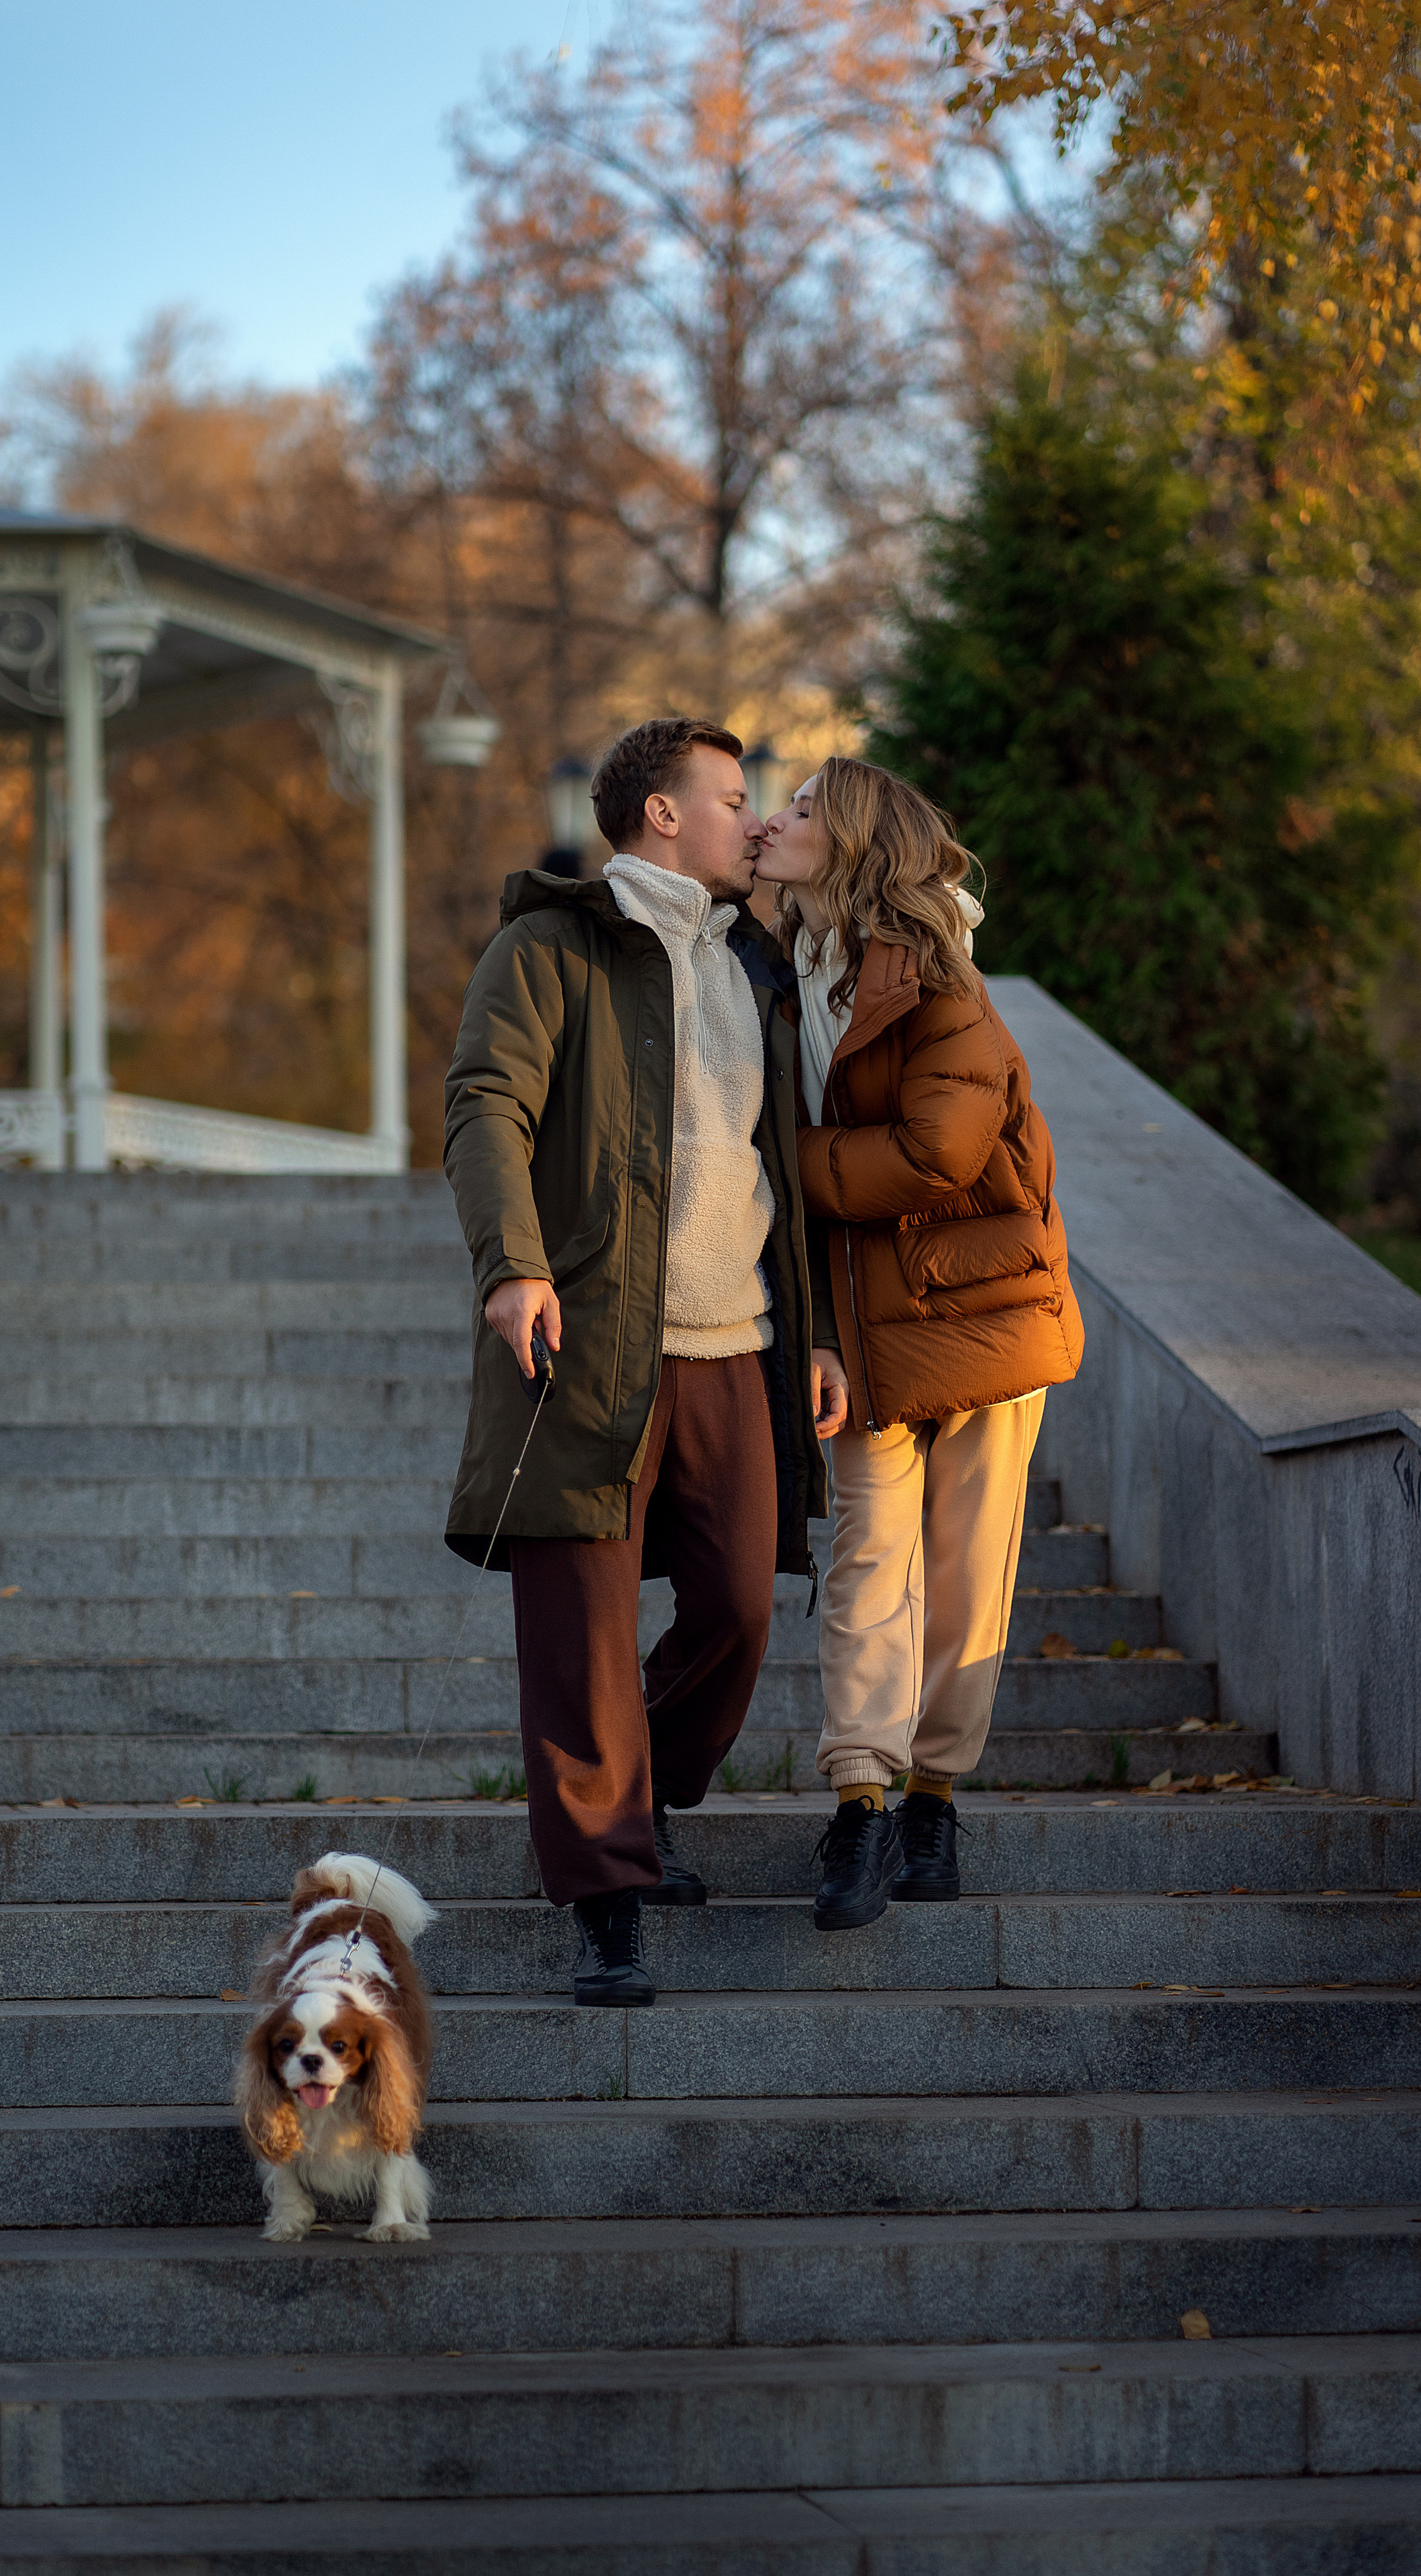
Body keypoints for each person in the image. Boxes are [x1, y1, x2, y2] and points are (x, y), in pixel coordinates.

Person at [443, 717, 849, 2005]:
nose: (755, 820)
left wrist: (825, 1335)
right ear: (663, 816)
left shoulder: (761, 967)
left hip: (740, 1346)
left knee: (736, 1607)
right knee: (581, 1630)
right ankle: (607, 1891)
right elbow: (484, 1107)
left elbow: (792, 1171)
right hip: (591, 1341)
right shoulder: (549, 946)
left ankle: (638, 1794)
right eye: (735, 800)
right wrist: (513, 1265)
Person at [753, 758, 1084, 1928]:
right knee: (863, 1564)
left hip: (982, 1311)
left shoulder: (943, 977)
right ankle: (860, 1801)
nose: (773, 818)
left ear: (849, 840)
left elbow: (939, 1150)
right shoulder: (782, 972)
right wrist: (826, 1335)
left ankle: (935, 1795)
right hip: (866, 1329)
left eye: (797, 807)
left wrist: (778, 1165)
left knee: (965, 1566)